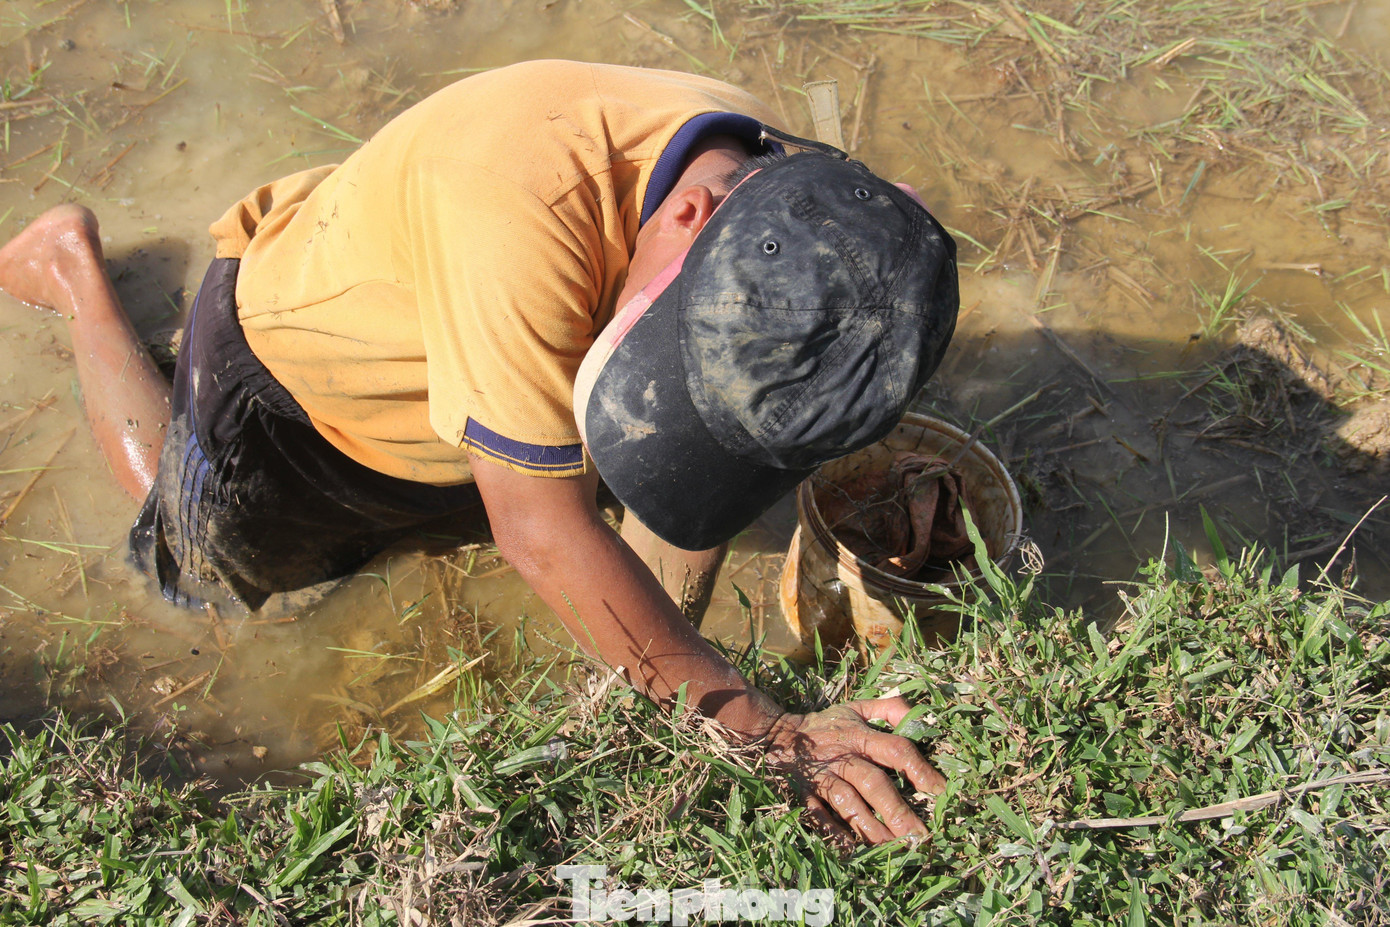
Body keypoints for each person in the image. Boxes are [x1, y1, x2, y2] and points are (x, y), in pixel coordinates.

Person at [0, 60, 959, 845]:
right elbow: (541, 534)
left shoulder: (797, 195)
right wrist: (757, 727)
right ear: (691, 219)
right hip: (298, 390)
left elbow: (700, 465)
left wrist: (672, 687)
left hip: (482, 357)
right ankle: (70, 271)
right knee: (194, 568)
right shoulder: (517, 214)